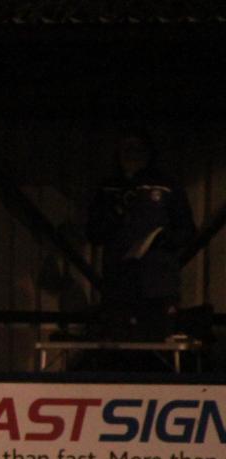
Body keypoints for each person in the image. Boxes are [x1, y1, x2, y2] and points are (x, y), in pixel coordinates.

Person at [87, 129, 196, 341]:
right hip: (119, 282)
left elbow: (187, 230)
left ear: (148, 152)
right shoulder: (109, 188)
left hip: (158, 283)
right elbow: (94, 233)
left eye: (137, 149)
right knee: (119, 342)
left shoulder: (166, 186)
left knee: (157, 341)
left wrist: (163, 240)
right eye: (126, 149)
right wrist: (114, 216)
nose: (132, 154)